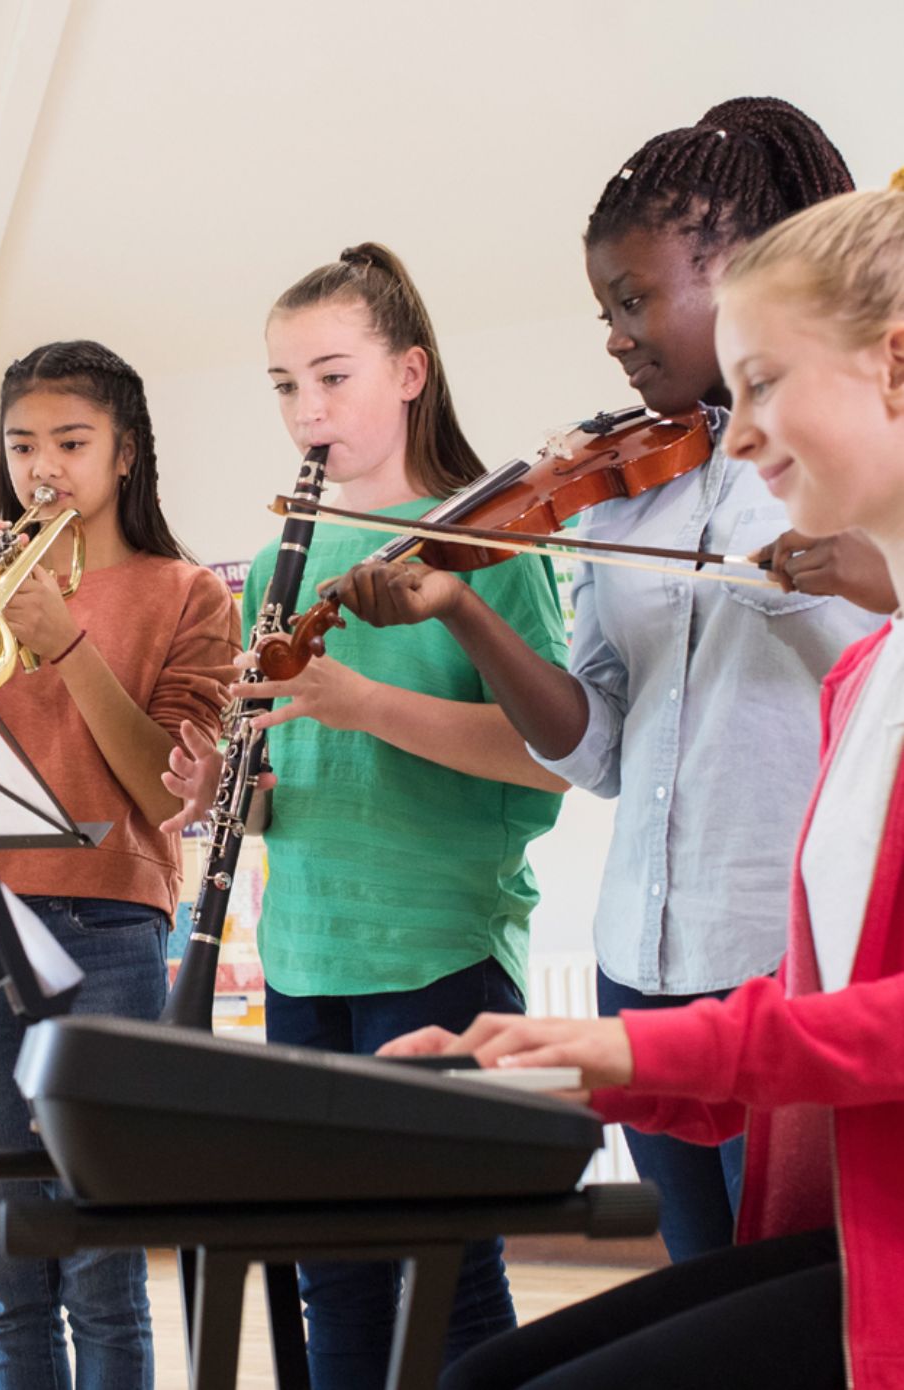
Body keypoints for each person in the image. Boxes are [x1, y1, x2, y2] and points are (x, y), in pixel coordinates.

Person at [320, 98, 890, 1263]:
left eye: (634, 300)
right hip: (641, 954)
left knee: (792, 1289)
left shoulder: (840, 472)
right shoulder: (624, 489)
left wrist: (857, 576)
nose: (617, 339)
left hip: (786, 962)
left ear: (735, 270)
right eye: (604, 312)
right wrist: (465, 608)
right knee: (700, 1287)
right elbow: (597, 751)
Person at [162, 244, 568, 1388]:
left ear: (408, 373)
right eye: (284, 385)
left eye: (331, 376)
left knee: (449, 1269)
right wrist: (224, 791)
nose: (306, 409)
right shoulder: (275, 561)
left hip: (435, 944)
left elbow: (550, 757)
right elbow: (295, 777)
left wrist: (365, 704)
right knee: (329, 1273)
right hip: (305, 950)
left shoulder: (490, 539)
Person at [0, 339, 237, 1390]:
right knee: (2, 1261)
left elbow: (163, 789)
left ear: (124, 453)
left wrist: (64, 642)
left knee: (102, 1266)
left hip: (108, 922)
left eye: (69, 441)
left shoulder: (188, 593)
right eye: (21, 445)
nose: (41, 467)